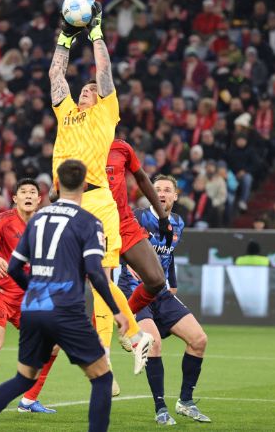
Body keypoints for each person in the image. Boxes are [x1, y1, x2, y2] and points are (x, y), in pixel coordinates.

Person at [0, 160, 128, 432]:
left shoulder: (40, 221)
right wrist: (118, 312)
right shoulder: (89, 221)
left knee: (24, 376)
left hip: (32, 303)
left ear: (54, 187)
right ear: (85, 185)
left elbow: (13, 266)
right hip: (61, 306)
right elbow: (96, 273)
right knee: (102, 378)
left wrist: (32, 289)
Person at [49, 0, 153, 376]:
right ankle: (131, 338)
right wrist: (64, 37)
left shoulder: (106, 114)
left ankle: (114, 352)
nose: (87, 91)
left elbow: (104, 71)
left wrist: (94, 33)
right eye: (85, 90)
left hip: (96, 201)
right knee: (83, 281)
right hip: (65, 202)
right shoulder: (67, 112)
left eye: (92, 91)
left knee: (103, 277)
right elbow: (55, 76)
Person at [118, 175, 211, 425]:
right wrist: (126, 262)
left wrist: (174, 284)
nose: (161, 193)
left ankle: (185, 402)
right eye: (156, 189)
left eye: (167, 190)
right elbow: (116, 240)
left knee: (199, 339)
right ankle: (161, 408)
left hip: (161, 292)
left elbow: (168, 255)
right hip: (134, 290)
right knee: (154, 343)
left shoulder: (178, 223)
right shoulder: (137, 217)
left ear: (175, 196)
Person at [0, 177, 57, 415]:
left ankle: (28, 401)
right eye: (22, 192)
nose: (27, 195)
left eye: (32, 192)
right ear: (14, 198)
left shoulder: (46, 224)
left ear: (38, 198)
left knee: (53, 345)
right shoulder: (2, 220)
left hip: (27, 296)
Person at [105, 138, 174, 395]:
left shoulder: (121, 147)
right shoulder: (79, 142)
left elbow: (143, 180)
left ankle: (127, 325)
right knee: (102, 289)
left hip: (124, 223)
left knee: (156, 279)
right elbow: (59, 190)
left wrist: (163, 217)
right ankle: (104, 368)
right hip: (95, 225)